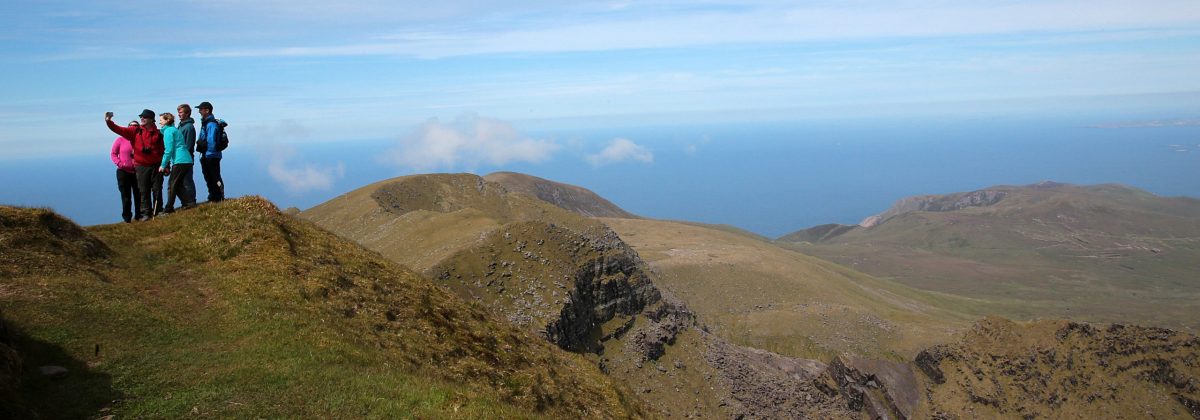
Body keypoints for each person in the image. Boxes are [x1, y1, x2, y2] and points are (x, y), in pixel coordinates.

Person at [105, 109, 164, 221]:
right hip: (141, 166)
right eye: (141, 117)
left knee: (157, 189)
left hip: (156, 165)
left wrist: (166, 165)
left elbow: (163, 150)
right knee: (143, 190)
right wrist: (109, 121)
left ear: (151, 119)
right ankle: (146, 213)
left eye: (144, 117)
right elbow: (118, 129)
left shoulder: (158, 133)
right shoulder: (135, 131)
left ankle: (158, 211)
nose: (142, 118)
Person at [158, 112, 195, 212]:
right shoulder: (174, 129)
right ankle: (188, 203)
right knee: (177, 184)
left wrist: (163, 165)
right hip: (186, 160)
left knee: (172, 184)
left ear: (167, 120)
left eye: (161, 120)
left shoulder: (168, 132)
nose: (159, 122)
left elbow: (168, 150)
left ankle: (169, 208)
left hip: (180, 160)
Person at [110, 121, 142, 223]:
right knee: (126, 196)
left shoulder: (140, 140)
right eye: (131, 126)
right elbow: (113, 154)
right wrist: (120, 164)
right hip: (123, 172)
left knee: (139, 195)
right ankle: (127, 218)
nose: (133, 128)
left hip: (137, 171)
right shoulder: (120, 140)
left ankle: (139, 216)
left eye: (136, 126)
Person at [196, 101, 224, 202]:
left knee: (214, 176)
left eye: (201, 109)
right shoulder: (207, 122)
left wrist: (207, 152)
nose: (199, 111)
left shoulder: (211, 124)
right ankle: (213, 196)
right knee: (209, 176)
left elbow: (211, 141)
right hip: (208, 155)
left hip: (211, 155)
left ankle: (218, 196)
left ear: (207, 110)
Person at [175, 104, 198, 206]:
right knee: (182, 181)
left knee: (187, 180)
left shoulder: (188, 127)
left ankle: (190, 201)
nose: (179, 114)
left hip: (185, 159)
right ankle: (187, 201)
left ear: (187, 113)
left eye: (181, 112)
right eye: (178, 112)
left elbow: (188, 145)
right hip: (181, 158)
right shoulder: (181, 125)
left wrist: (183, 157)